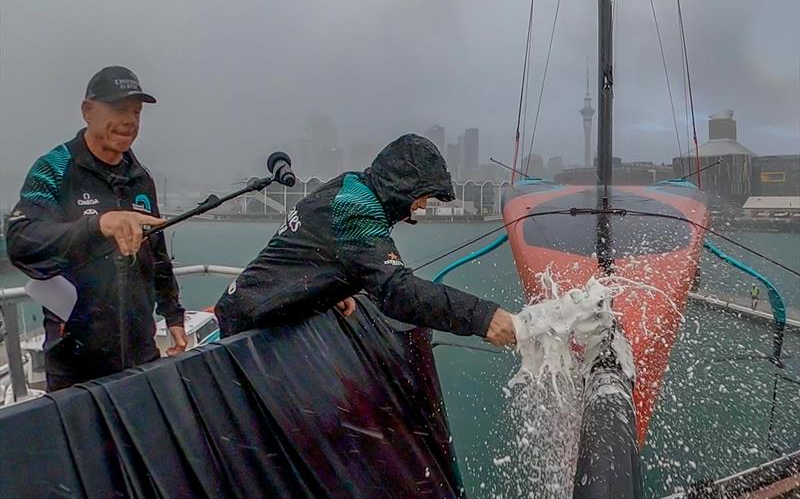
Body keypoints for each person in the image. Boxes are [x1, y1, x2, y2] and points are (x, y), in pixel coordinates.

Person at [216, 133, 516, 347]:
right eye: (423, 196)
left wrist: (327, 287)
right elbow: (398, 292)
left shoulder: (351, 185)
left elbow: (313, 248)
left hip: (249, 309)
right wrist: (482, 317)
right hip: (248, 330)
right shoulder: (357, 210)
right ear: (403, 186)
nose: (424, 205)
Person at [5, 66, 186, 391]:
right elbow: (21, 240)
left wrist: (172, 314)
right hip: (75, 360)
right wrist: (96, 225)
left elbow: (156, 252)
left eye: (136, 112)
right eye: (119, 109)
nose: (130, 121)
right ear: (88, 111)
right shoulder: (55, 168)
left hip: (140, 352)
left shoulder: (140, 177)